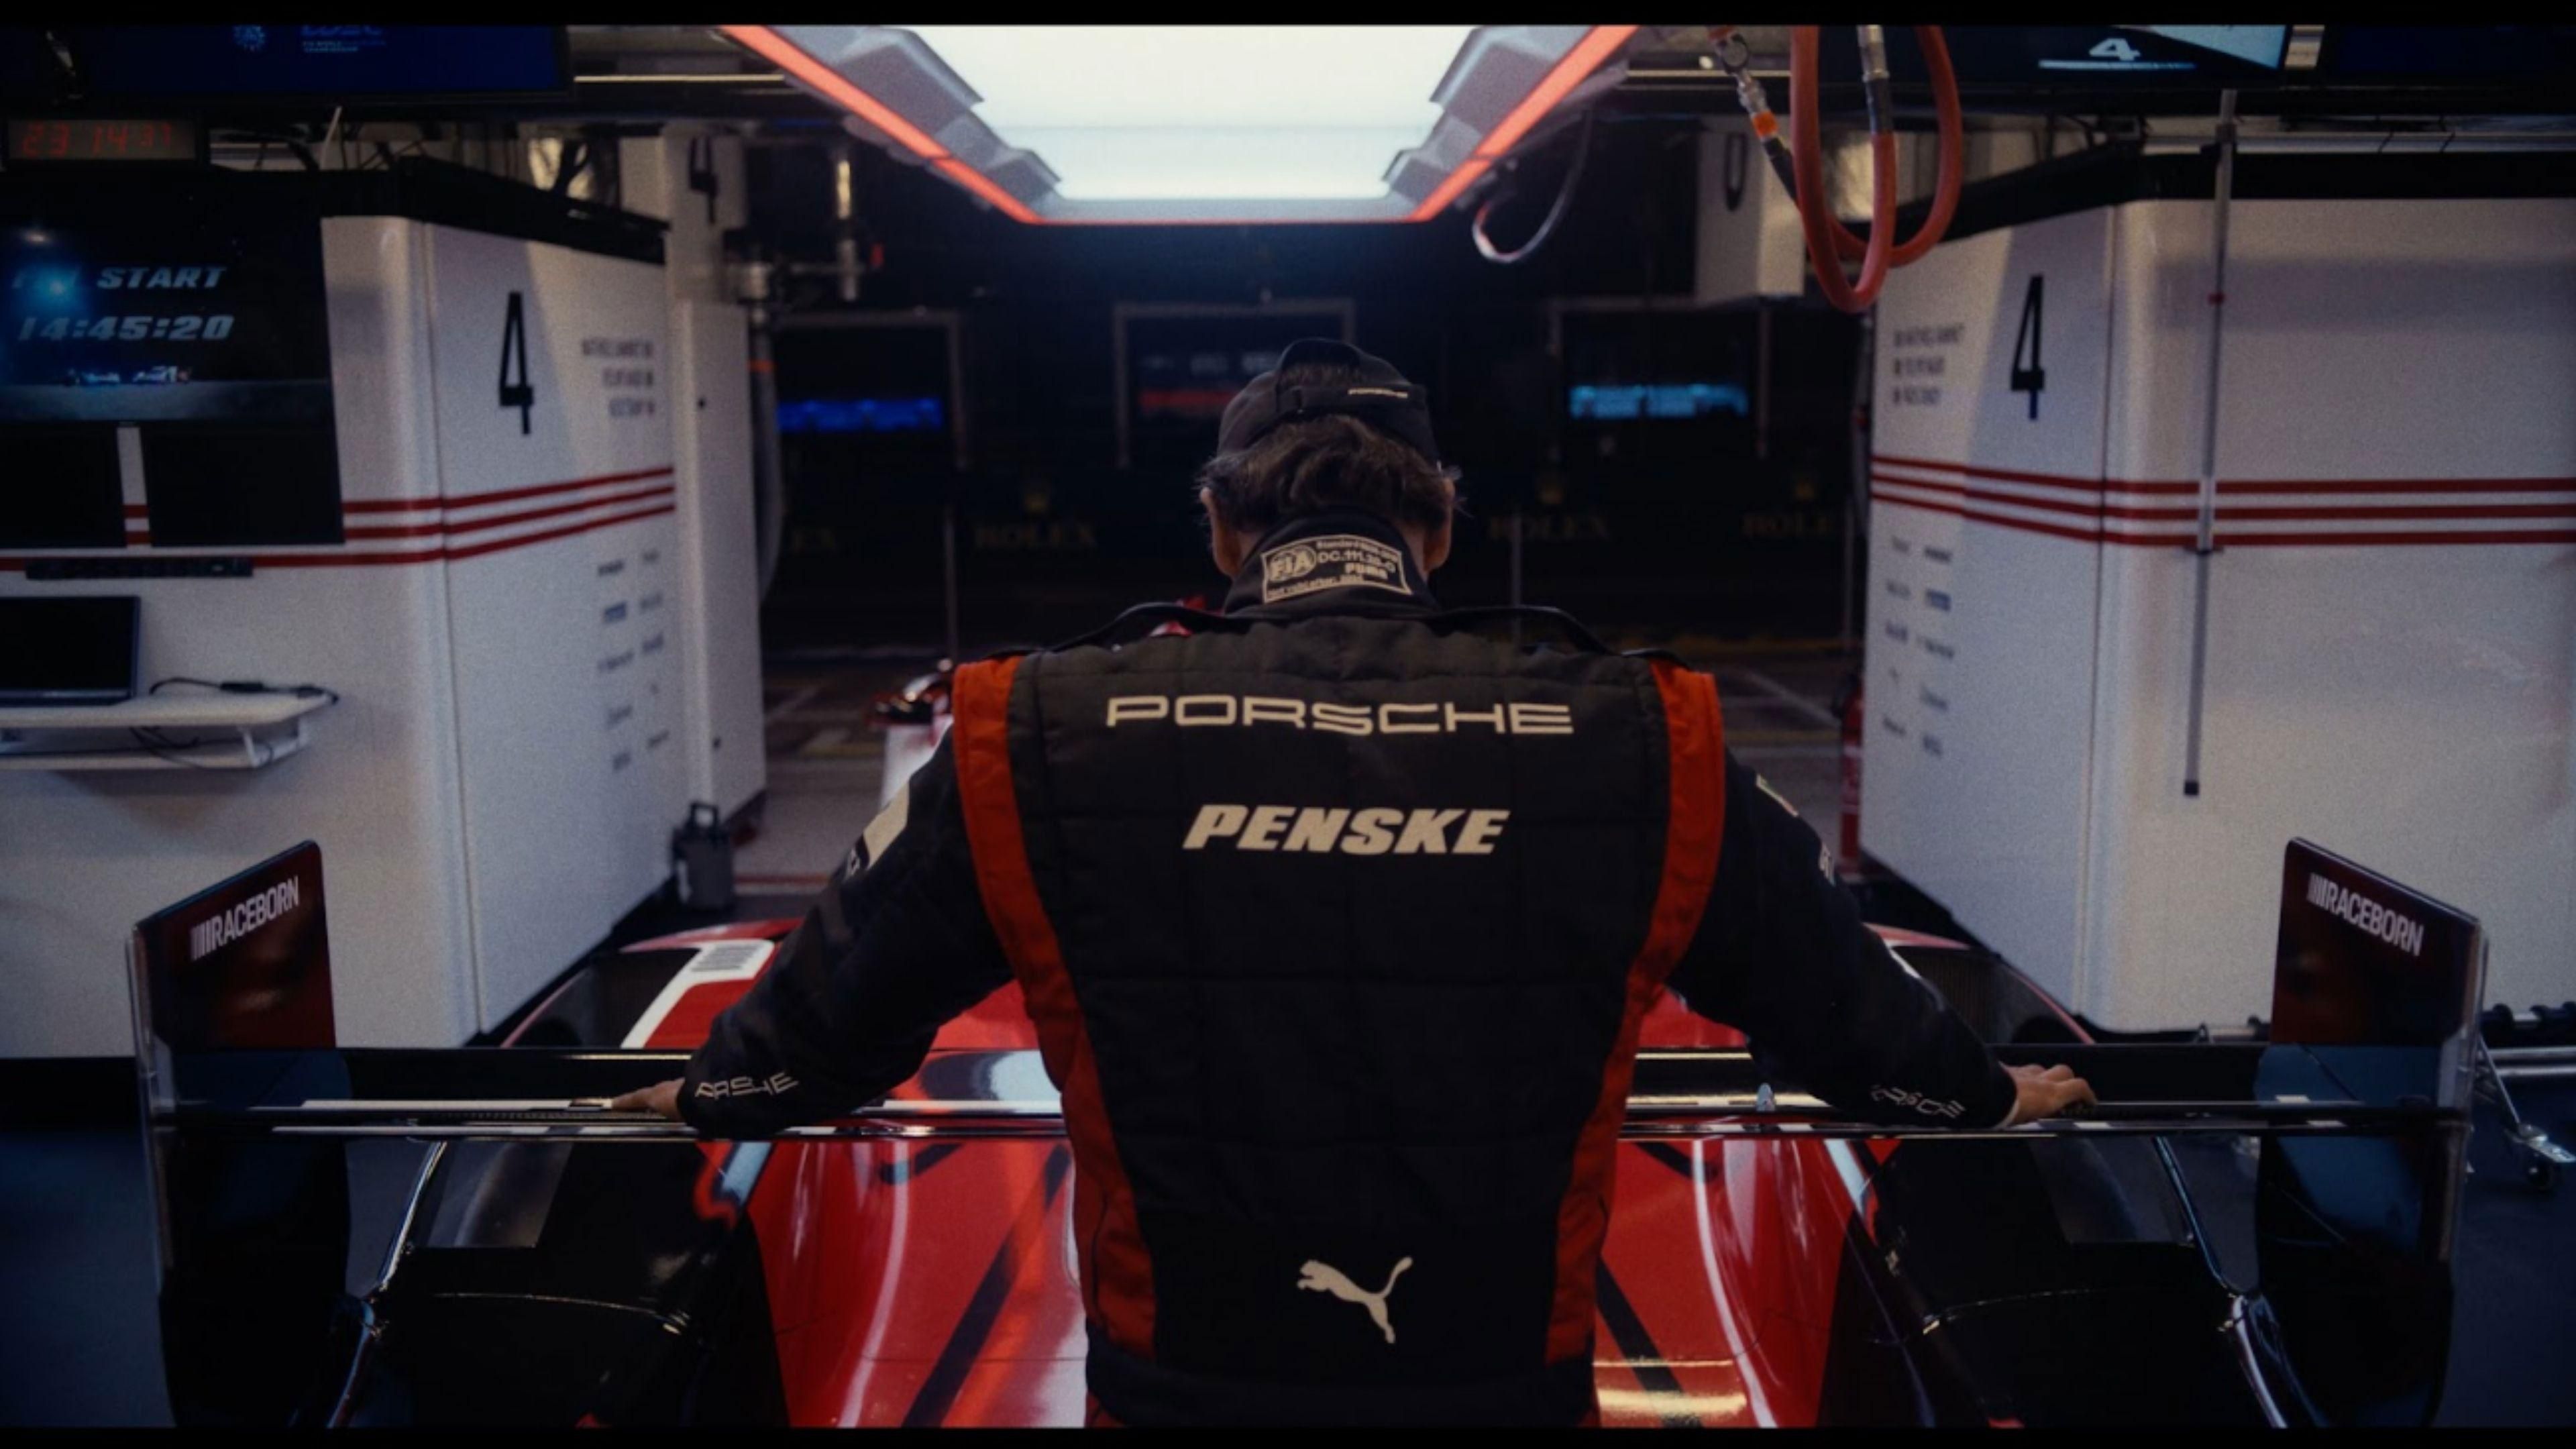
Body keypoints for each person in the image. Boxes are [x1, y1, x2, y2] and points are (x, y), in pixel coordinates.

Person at [612, 338, 2095, 1427]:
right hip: (1505, 1392)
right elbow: (1846, 1012)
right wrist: (1979, 1095)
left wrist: (717, 1086)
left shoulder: (1036, 728)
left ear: (1220, 530)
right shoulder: (1652, 733)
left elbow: (833, 1010)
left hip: (1174, 1393)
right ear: (1438, 527)